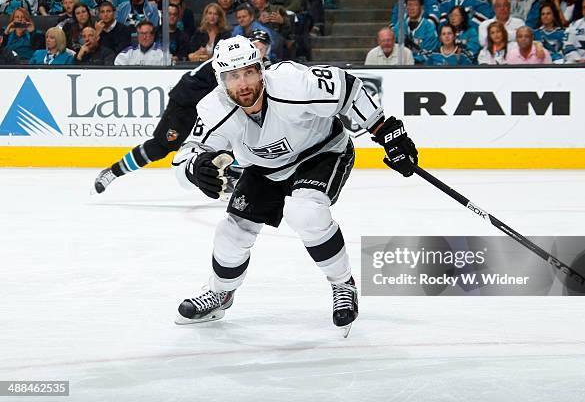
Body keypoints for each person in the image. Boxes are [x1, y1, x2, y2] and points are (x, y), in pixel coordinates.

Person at [171, 36, 418, 337]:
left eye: (249, 72)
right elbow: (184, 159)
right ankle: (220, 294)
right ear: (221, 80)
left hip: (321, 153)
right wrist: (196, 169)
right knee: (231, 232)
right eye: (233, 76)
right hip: (264, 169)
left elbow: (348, 88)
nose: (243, 83)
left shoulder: (291, 83)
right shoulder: (214, 109)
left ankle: (343, 284)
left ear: (261, 70)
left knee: (306, 212)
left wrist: (386, 131)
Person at [92, 32, 273, 194]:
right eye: (256, 45)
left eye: (262, 47)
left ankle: (231, 176)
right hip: (186, 104)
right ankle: (113, 172)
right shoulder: (230, 60)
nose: (259, 49)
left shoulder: (257, 67)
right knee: (161, 146)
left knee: (232, 136)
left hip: (211, 106)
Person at [393, 0, 440, 64]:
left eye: (415, 5)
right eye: (409, 5)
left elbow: (429, 54)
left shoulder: (429, 27)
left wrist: (411, 60)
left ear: (421, 7)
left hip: (422, 67)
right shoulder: (399, 26)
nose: (411, 8)